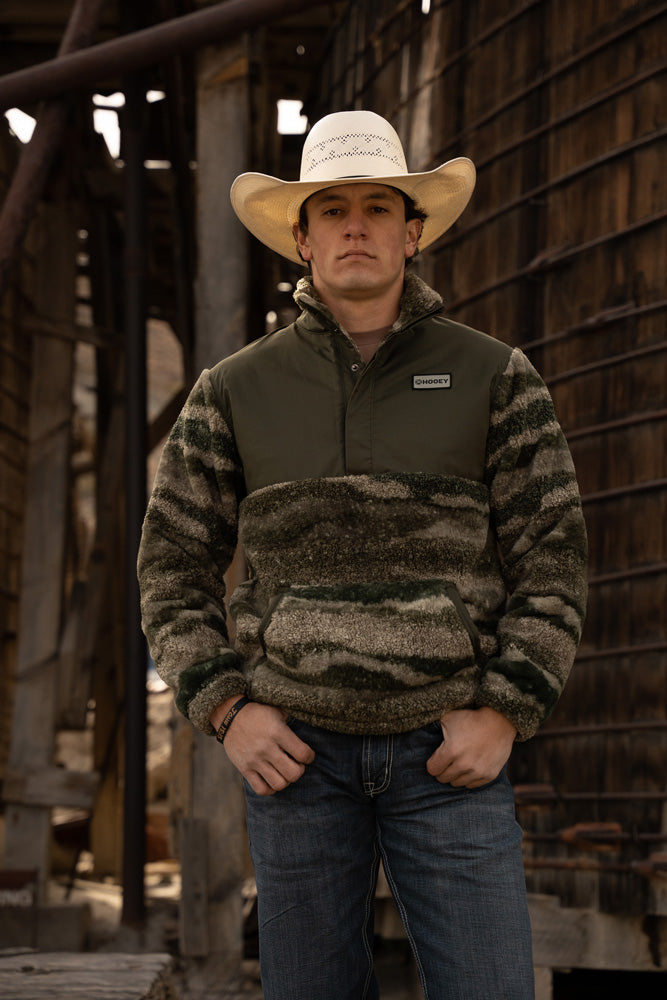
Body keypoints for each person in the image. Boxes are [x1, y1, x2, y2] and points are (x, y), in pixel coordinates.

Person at [138, 110, 588, 999]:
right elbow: (170, 567)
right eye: (332, 208)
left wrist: (504, 709)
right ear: (301, 238)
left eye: (378, 207)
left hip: (448, 757)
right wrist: (228, 710)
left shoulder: (494, 375)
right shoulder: (234, 390)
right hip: (295, 759)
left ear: (411, 232)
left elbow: (555, 556)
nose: (355, 225)